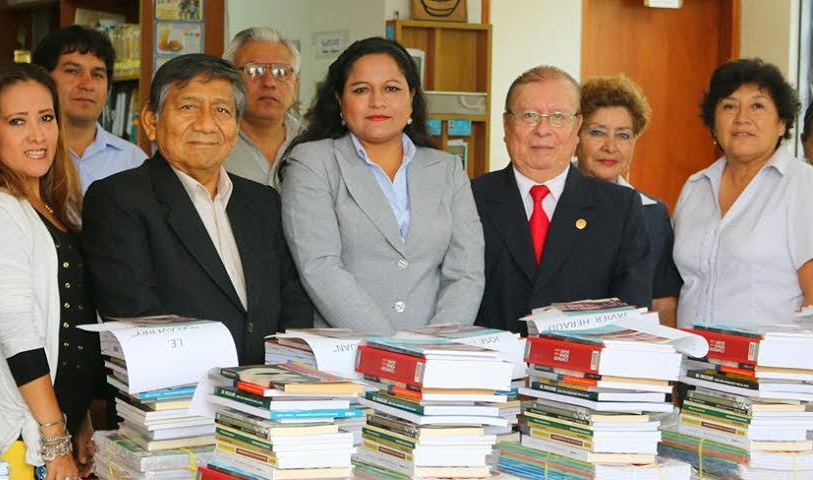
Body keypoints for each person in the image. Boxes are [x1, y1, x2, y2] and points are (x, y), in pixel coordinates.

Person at [82, 54, 311, 365]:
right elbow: (137, 316)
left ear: (235, 127)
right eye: (188, 107)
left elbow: (293, 302)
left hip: (265, 393)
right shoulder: (118, 199)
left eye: (221, 110)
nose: (206, 124)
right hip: (175, 398)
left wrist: (279, 378)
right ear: (152, 121)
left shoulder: (262, 201)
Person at [0, 63, 100, 480]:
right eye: (17, 121)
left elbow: (67, 324)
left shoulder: (50, 207)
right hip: (20, 441)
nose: (38, 135)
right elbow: (17, 334)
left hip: (55, 431)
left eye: (46, 118)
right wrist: (54, 439)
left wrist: (78, 417)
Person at [280, 37, 484, 336]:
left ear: (411, 97)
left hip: (436, 354)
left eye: (392, 88)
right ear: (339, 99)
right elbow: (320, 268)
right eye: (361, 90)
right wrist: (390, 348)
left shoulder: (447, 168)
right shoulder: (313, 162)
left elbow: (466, 273)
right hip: (347, 355)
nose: (377, 101)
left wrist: (437, 346)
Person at [473, 65, 652, 334]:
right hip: (488, 368)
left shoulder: (619, 207)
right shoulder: (469, 198)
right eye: (529, 116)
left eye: (558, 116)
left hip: (580, 369)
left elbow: (630, 314)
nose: (543, 129)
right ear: (506, 124)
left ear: (577, 125)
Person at [674, 58, 813, 327]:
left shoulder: (803, 186)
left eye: (757, 106)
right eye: (729, 106)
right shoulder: (695, 187)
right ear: (713, 123)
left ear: (782, 123)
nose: (742, 118)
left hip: (768, 364)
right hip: (691, 360)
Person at [575, 74, 682, 326]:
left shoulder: (653, 212)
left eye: (623, 135)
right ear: (575, 136)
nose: (610, 146)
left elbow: (663, 302)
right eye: (597, 132)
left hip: (630, 351)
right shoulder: (550, 201)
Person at [32, 25, 147, 193]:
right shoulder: (29, 154)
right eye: (72, 71)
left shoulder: (133, 161)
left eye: (97, 74)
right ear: (43, 80)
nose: (87, 84)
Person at [222, 27, 301, 189]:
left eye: (281, 72)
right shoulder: (211, 141)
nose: (269, 82)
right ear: (229, 81)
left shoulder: (313, 142)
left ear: (295, 84)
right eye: (254, 71)